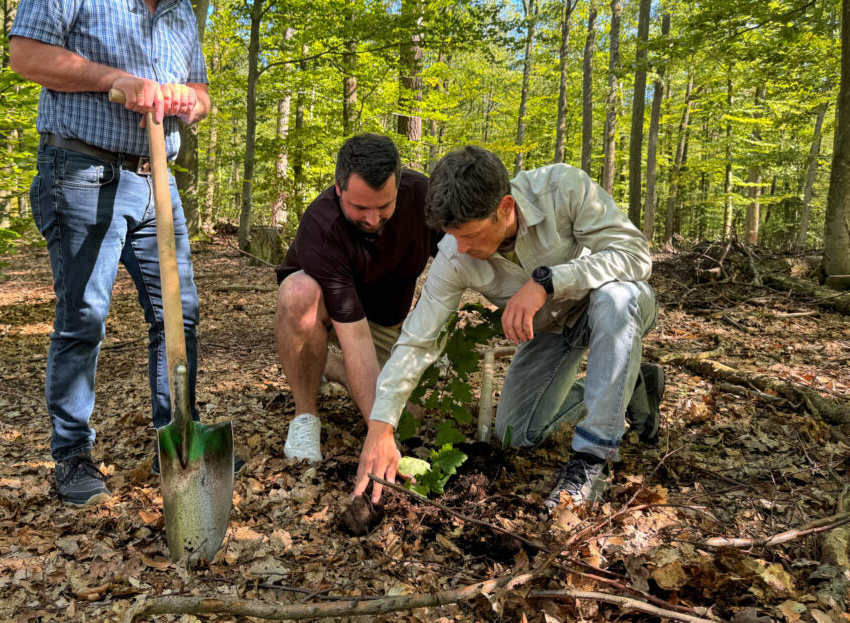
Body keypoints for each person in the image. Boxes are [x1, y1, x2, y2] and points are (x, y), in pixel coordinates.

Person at [8, 0, 214, 507]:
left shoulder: (179, 9)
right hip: (81, 171)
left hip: (157, 181)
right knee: (85, 317)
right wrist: (116, 80)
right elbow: (25, 54)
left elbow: (202, 95)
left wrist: (186, 100)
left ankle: (173, 438)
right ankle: (72, 456)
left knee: (180, 314)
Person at [354, 146, 663, 509]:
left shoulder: (562, 188)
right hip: (551, 331)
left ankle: (593, 459)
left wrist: (549, 281)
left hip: (613, 308)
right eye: (453, 236)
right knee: (516, 434)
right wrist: (381, 424)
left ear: (505, 207)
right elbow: (417, 342)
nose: (461, 248)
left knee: (615, 299)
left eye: (470, 235)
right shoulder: (454, 253)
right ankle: (629, 381)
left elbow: (636, 257)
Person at [275, 133, 444, 462]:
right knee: (299, 292)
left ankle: (327, 366)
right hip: (324, 312)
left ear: (399, 185)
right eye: (360, 207)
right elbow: (356, 341)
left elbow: (458, 262)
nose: (372, 219)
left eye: (384, 206)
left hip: (386, 322)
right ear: (338, 189)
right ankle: (305, 416)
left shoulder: (423, 198)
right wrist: (379, 434)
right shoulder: (322, 229)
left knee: (411, 415)